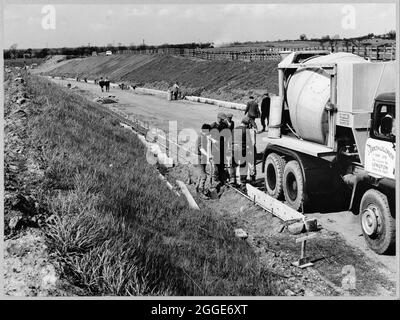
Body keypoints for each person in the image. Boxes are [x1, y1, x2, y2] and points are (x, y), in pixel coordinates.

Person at [232, 117, 257, 187]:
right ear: (247, 124)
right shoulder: (246, 130)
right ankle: (243, 181)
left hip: (233, 149)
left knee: (234, 165)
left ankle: (233, 181)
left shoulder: (235, 129)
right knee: (243, 166)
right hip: (242, 149)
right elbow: (249, 142)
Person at [193, 124, 212, 198]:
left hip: (201, 157)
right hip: (199, 158)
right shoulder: (200, 137)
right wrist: (208, 155)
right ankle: (201, 192)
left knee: (201, 175)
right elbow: (201, 148)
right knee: (204, 176)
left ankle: (197, 189)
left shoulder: (202, 136)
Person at [210, 113, 228, 185]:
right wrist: (212, 140)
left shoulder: (224, 125)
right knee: (217, 163)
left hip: (223, 147)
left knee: (222, 163)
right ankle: (216, 178)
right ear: (218, 118)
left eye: (223, 119)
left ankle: (222, 177)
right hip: (215, 147)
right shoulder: (213, 125)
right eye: (222, 119)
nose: (223, 120)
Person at [225, 113, 235, 183]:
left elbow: (232, 129)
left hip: (230, 136)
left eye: (230, 118)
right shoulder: (225, 122)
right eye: (229, 118)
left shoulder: (233, 122)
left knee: (229, 146)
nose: (230, 119)